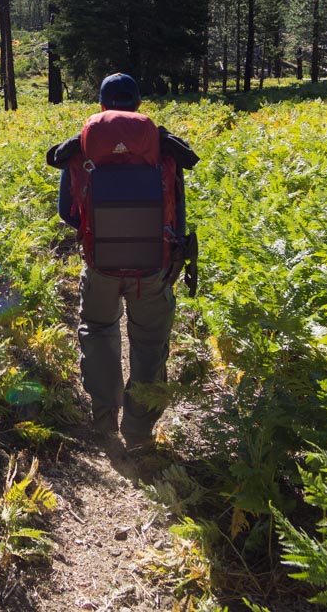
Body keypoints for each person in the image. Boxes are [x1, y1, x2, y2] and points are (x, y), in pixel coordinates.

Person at [45, 73, 199, 449]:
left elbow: (68, 212)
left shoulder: (80, 148)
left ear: (101, 104)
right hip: (153, 267)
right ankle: (138, 431)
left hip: (100, 265)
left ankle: (104, 420)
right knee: (148, 344)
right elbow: (176, 214)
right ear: (139, 104)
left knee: (98, 332)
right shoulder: (164, 148)